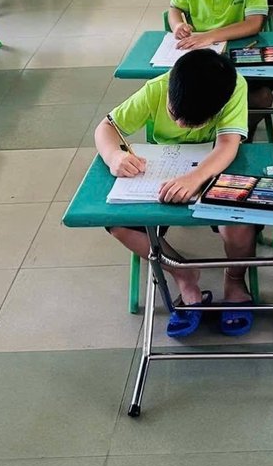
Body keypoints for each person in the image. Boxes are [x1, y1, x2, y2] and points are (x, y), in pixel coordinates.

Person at [96, 49, 255, 337]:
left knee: (239, 225)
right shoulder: (157, 88)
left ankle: (234, 279)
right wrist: (113, 156)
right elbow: (107, 127)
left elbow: (228, 144)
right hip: (163, 174)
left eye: (193, 123)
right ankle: (183, 274)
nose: (180, 124)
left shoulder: (233, 87)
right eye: (174, 114)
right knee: (118, 223)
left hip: (215, 167)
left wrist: (196, 178)